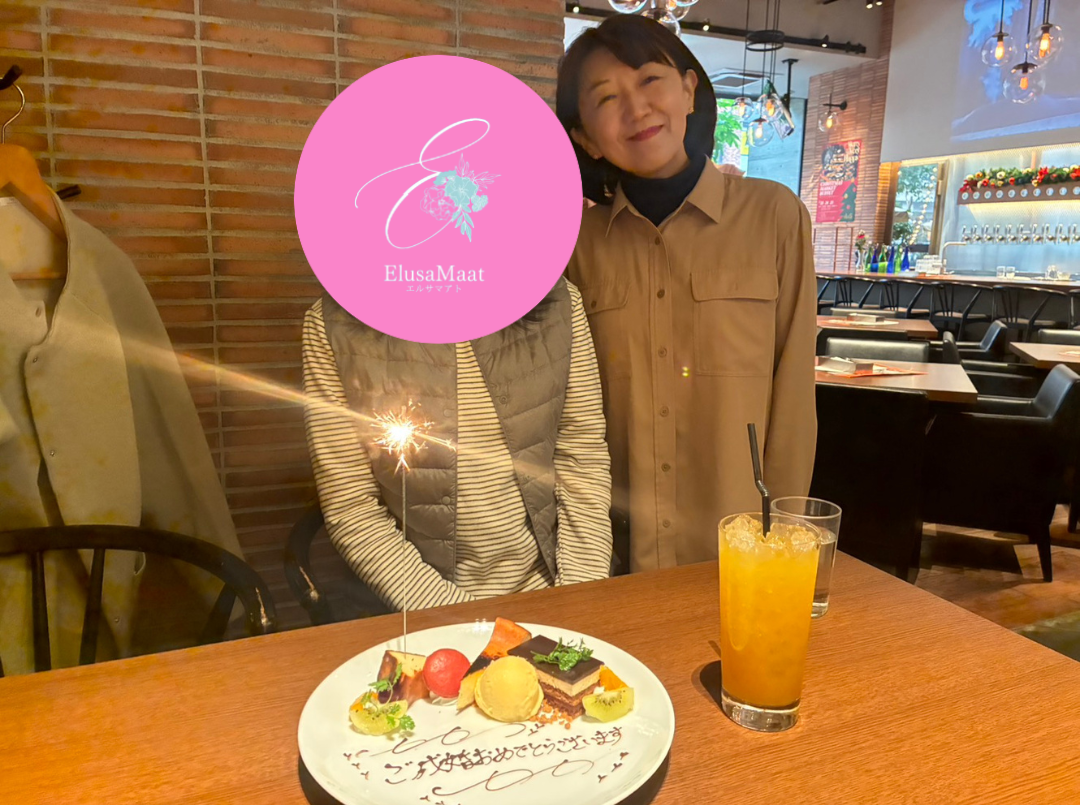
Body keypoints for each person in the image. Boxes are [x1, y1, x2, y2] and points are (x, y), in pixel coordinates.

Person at [557, 15, 817, 573]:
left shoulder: (774, 216)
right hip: (613, 555)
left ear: (689, 90)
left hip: (740, 551)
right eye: (606, 98)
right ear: (586, 138)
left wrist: (784, 537)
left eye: (650, 80)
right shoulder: (575, 245)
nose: (637, 109)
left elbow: (795, 391)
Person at [301, 279, 613, 610]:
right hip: (423, 608)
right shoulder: (333, 324)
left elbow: (582, 459)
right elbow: (352, 505)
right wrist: (461, 619)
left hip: (550, 592)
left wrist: (578, 598)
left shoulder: (558, 302)